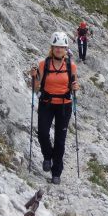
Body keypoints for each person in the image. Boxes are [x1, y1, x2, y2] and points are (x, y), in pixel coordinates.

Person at [29, 32, 80, 184]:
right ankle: (47, 156)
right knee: (43, 133)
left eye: (62, 47)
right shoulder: (43, 64)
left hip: (64, 106)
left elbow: (74, 86)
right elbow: (37, 87)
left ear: (66, 49)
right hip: (46, 103)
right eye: (56, 47)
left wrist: (76, 87)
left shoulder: (71, 66)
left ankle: (56, 172)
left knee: (60, 141)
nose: (59, 50)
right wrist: (34, 77)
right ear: (52, 48)